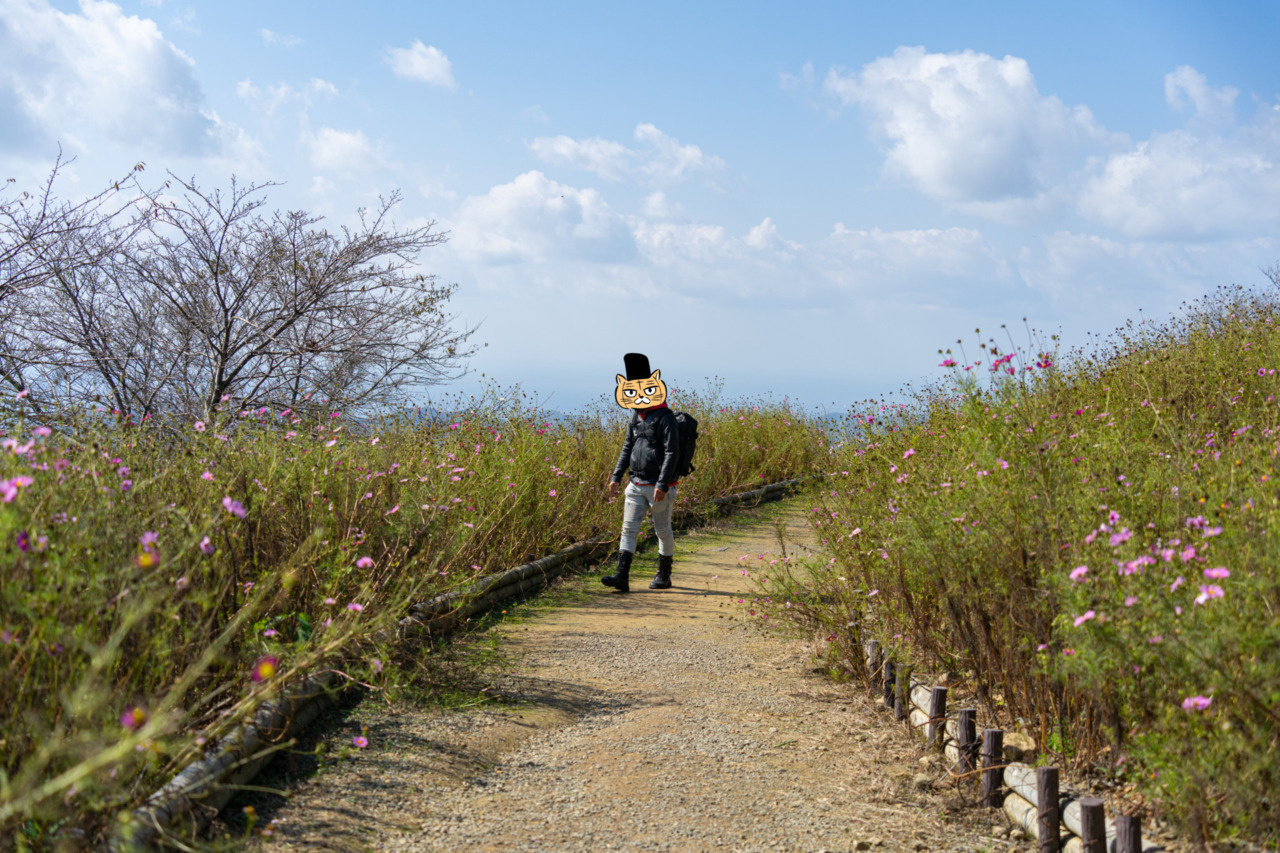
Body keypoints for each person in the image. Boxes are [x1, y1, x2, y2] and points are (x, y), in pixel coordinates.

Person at [603, 352, 680, 593]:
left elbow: (672, 453)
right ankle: (621, 576)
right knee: (628, 529)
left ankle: (664, 575)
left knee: (662, 530)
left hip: (658, 486)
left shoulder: (666, 418)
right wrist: (616, 476)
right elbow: (628, 447)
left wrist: (662, 484)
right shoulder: (636, 416)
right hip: (635, 484)